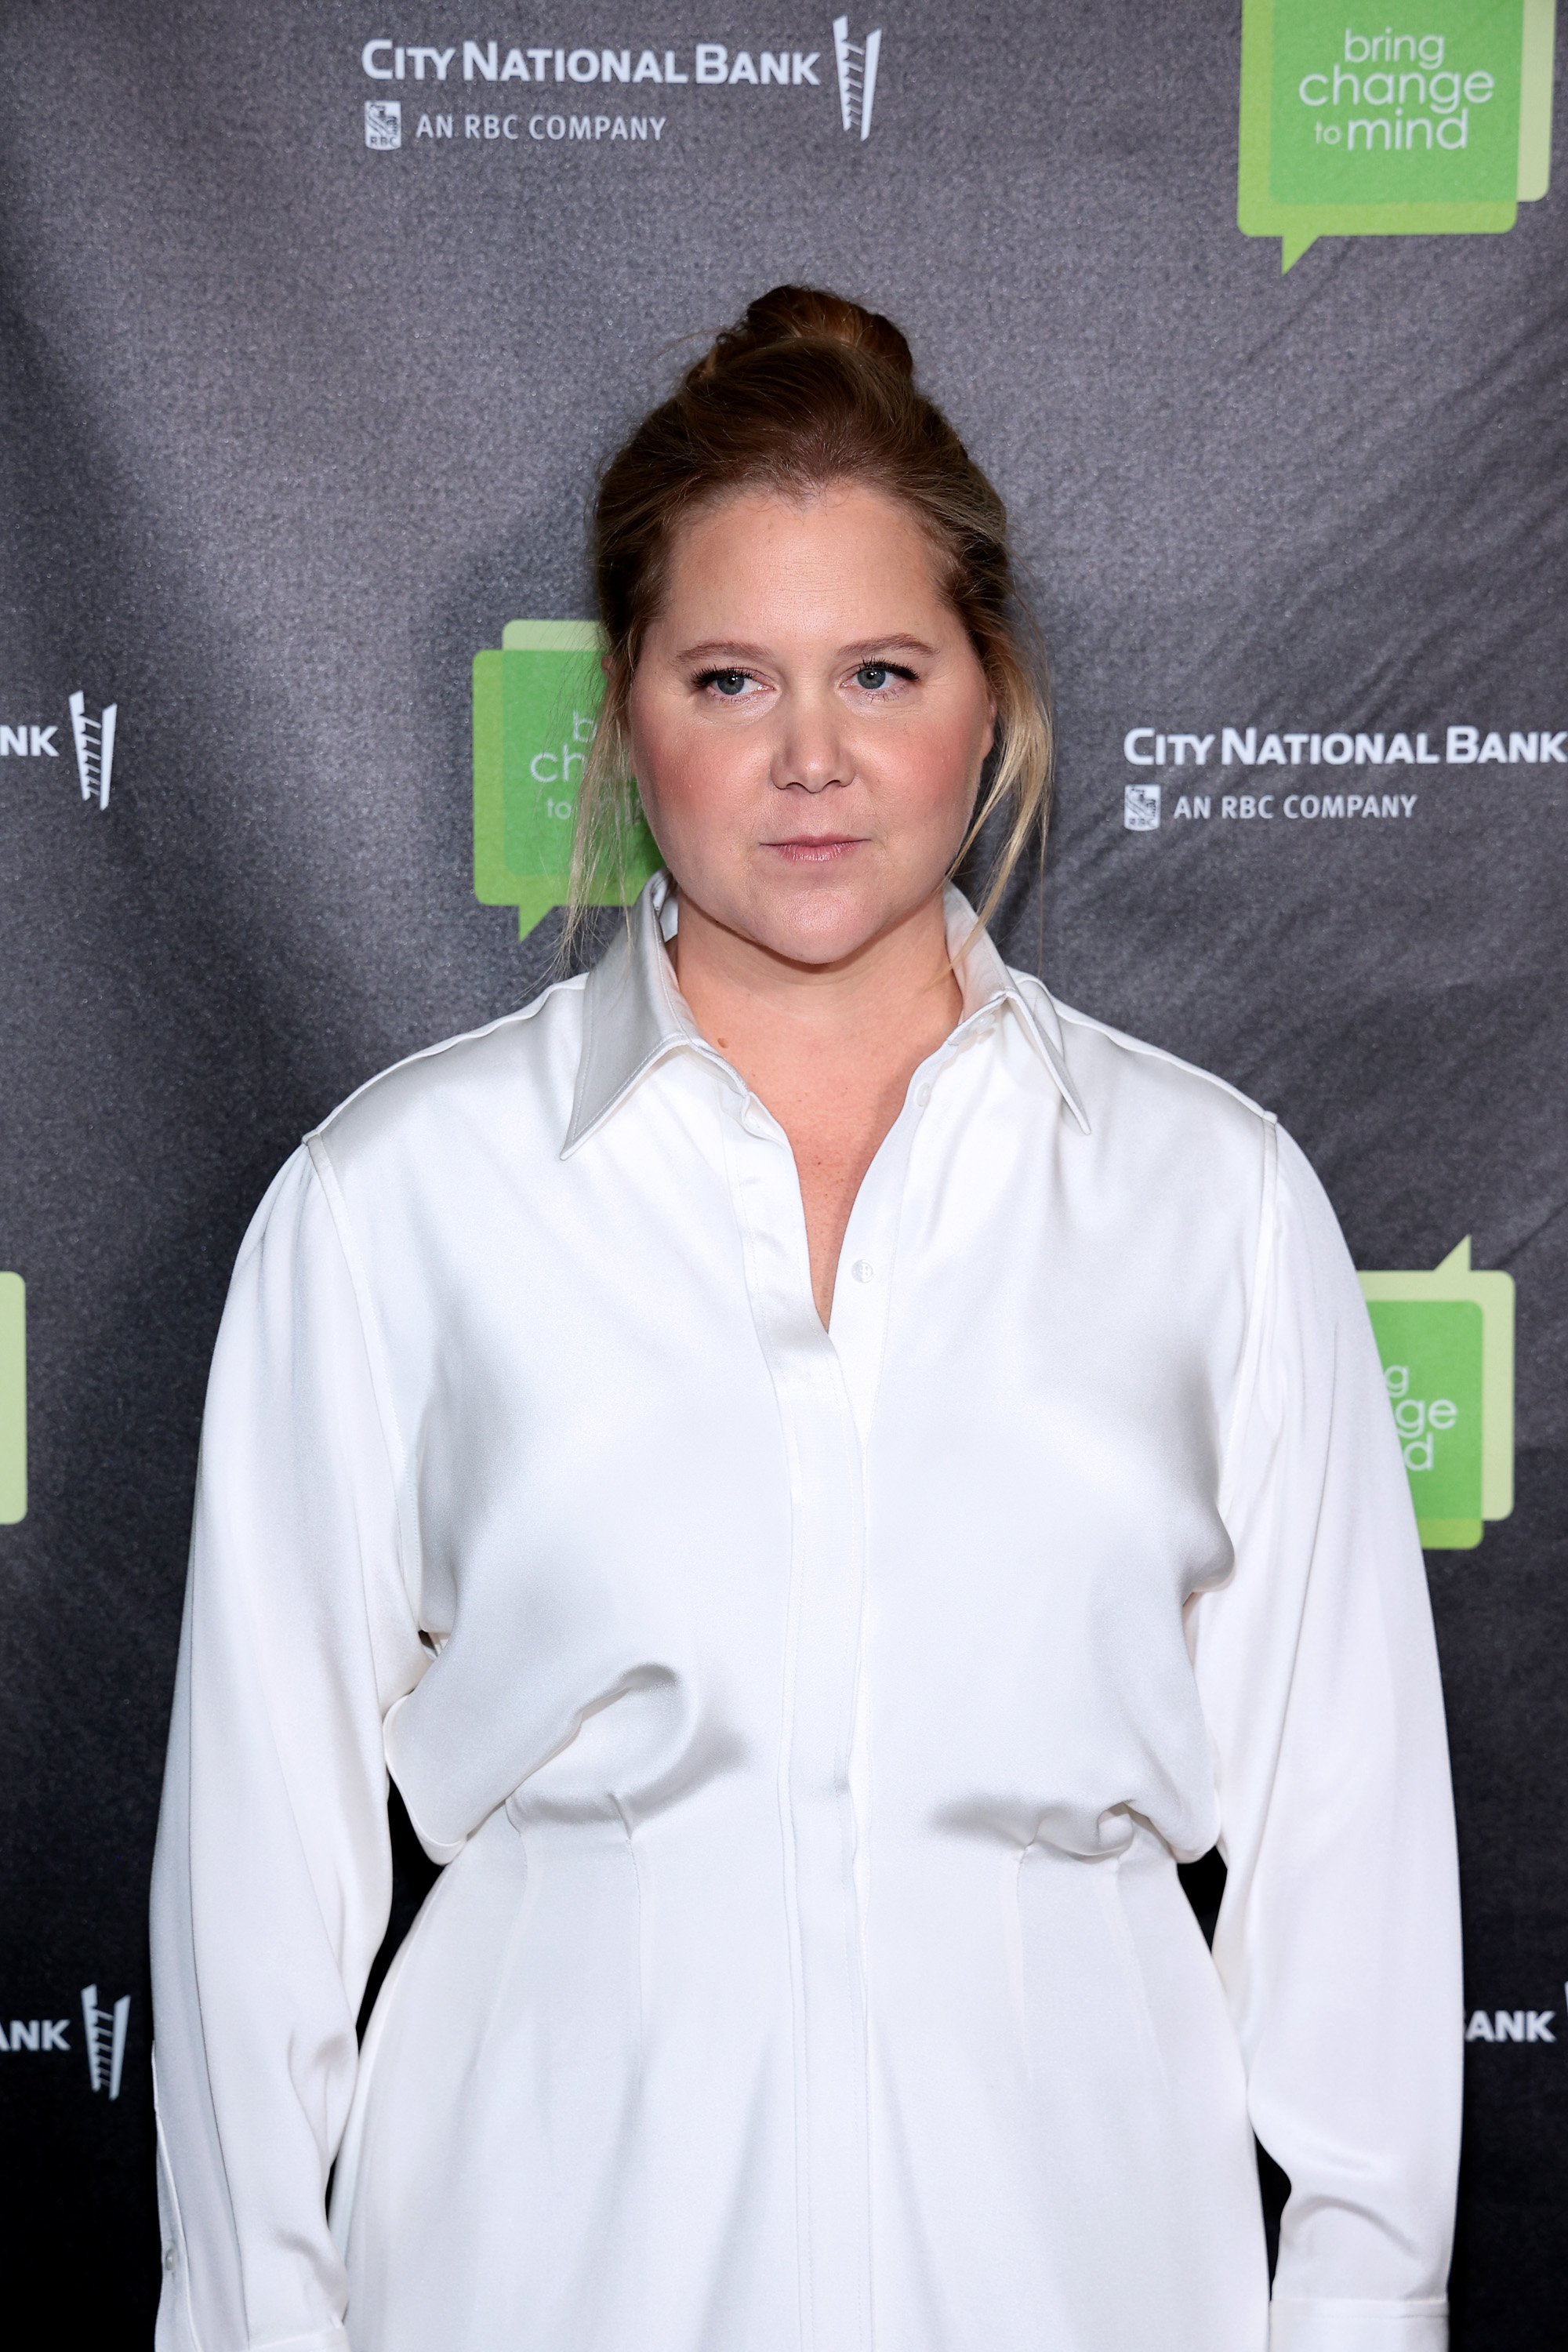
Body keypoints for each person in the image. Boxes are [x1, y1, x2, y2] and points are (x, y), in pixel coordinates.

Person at [151, 286, 1461, 2352]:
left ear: (991, 694)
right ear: (626, 714)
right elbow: (249, 1906)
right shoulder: (391, 1209)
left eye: (881, 669)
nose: (816, 757)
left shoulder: (1213, 1205)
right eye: (732, 677)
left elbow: (1357, 1899)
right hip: (530, 2281)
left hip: (1087, 2287)